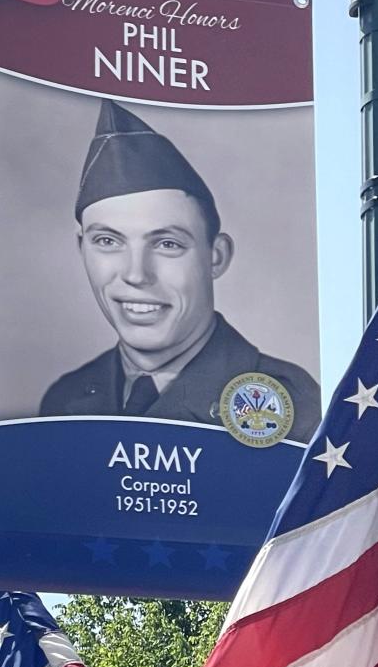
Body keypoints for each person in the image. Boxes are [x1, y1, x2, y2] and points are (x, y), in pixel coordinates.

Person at [40, 100, 320, 444]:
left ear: (215, 257)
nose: (136, 274)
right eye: (108, 240)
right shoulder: (65, 400)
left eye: (167, 244)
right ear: (81, 247)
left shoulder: (294, 403)